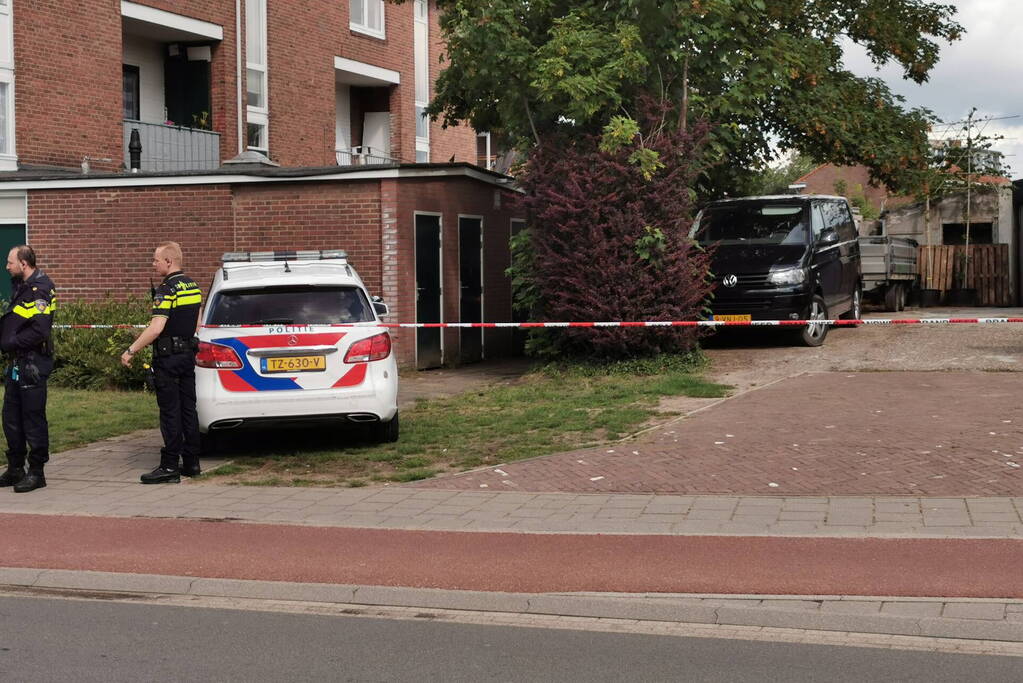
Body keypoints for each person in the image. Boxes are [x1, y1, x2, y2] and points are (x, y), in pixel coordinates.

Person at [121, 242, 202, 484]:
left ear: (169, 261)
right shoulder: (193, 286)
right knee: (189, 409)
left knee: (170, 412)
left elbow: (156, 328)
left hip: (168, 358)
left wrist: (131, 350)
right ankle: (191, 462)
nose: (153, 263)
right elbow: (197, 323)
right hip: (188, 356)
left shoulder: (167, 289)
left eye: (156, 260)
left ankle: (169, 467)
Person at [0, 245, 56, 493]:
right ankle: (15, 469)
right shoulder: (21, 286)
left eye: (10, 262)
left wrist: (11, 342)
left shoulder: (40, 288)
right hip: (17, 363)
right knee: (11, 417)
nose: (7, 266)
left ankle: (36, 472)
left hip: (32, 363)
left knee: (32, 418)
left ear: (24, 263)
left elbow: (40, 330)